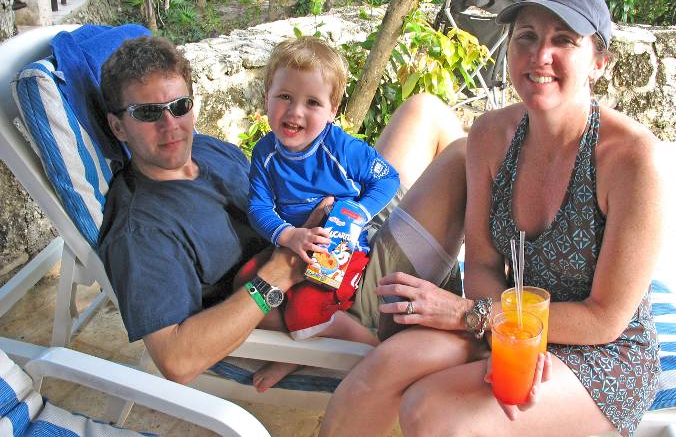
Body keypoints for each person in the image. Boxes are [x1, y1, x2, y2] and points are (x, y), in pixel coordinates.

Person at [319, 0, 663, 437]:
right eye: (527, 37)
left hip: (602, 352)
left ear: (599, 62)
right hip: (506, 324)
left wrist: (477, 317)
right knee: (386, 367)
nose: (540, 55)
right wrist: (508, 334)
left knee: (433, 411)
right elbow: (482, 264)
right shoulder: (491, 136)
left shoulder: (631, 159)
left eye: (563, 40)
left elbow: (604, 318)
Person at [96, 35, 465, 387]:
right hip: (334, 289)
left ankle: (461, 288)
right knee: (463, 159)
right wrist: (280, 273)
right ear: (118, 126)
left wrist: (341, 206)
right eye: (148, 113)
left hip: (337, 229)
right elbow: (176, 360)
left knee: (425, 110)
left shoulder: (203, 149)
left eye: (179, 106)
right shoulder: (141, 230)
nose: (170, 126)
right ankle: (480, 318)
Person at [239, 37, 400, 390]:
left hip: (339, 248)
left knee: (304, 310)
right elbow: (259, 207)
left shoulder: (342, 149)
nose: (295, 112)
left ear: (333, 110)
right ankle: (305, 341)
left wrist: (358, 211)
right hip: (293, 245)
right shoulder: (265, 153)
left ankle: (371, 349)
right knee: (245, 287)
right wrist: (288, 235)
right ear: (266, 96)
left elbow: (388, 178)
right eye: (284, 96)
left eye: (312, 102)